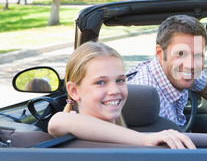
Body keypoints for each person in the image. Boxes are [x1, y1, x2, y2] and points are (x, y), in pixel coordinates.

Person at [48, 42, 195, 149]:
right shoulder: (66, 125)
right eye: (100, 82)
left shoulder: (128, 137)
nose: (114, 90)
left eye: (120, 80)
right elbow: (58, 122)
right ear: (74, 91)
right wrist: (145, 140)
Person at [127, 15, 207, 133]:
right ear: (159, 53)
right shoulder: (147, 103)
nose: (191, 66)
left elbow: (199, 80)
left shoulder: (168, 72)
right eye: (181, 54)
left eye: (198, 55)